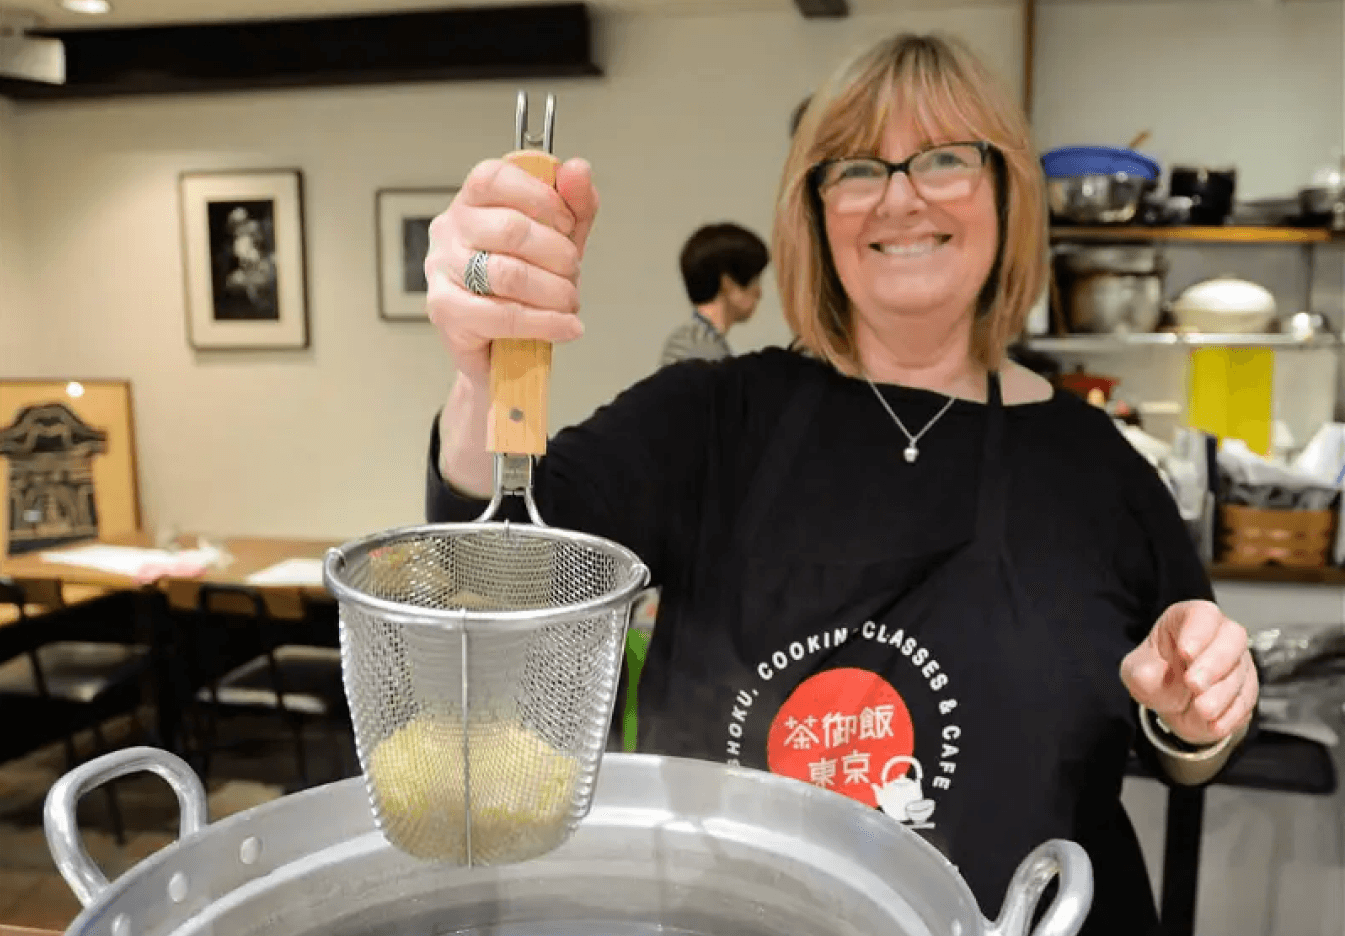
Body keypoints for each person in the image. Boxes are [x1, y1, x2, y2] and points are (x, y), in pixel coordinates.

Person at [421, 32, 1258, 936]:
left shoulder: (1101, 468)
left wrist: (1197, 712)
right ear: (814, 210)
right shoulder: (710, 421)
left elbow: (1188, 748)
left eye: (944, 159)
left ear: (1007, 191)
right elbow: (492, 569)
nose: (900, 197)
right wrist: (481, 373)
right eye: (857, 168)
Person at [659, 222, 768, 366]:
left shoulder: (687, 341)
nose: (759, 293)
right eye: (754, 280)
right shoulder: (705, 354)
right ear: (728, 284)